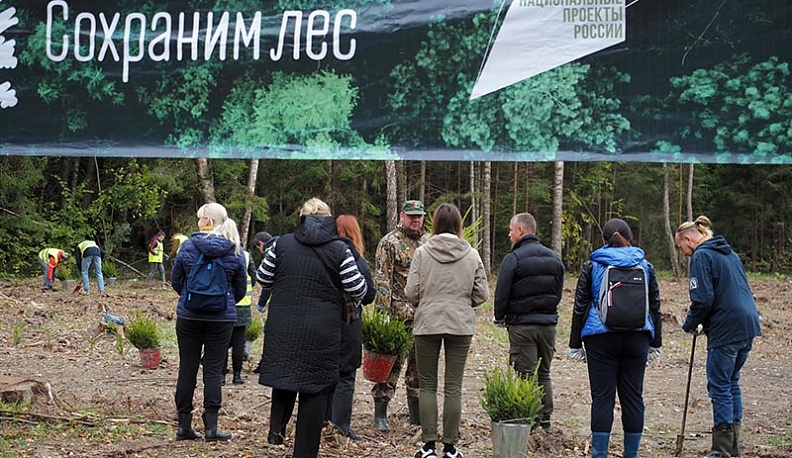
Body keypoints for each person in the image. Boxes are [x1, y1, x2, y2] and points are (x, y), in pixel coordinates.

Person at [256, 198, 368, 457]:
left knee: (286, 377)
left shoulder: (281, 244)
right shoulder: (340, 250)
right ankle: (305, 452)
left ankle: (277, 430)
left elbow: (263, 278)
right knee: (316, 390)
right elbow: (357, 288)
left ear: (302, 217)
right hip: (323, 331)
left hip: (284, 327)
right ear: (329, 218)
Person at [568, 218, 662, 458]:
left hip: (600, 339)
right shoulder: (645, 265)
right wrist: (656, 342)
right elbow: (655, 306)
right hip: (637, 337)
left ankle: (599, 454)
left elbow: (580, 305)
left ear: (603, 240)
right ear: (630, 238)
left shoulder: (593, 264)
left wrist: (575, 344)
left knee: (602, 398)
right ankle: (631, 454)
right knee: (633, 397)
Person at [405, 203, 489, 458]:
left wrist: (428, 300)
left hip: (427, 322)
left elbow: (411, 292)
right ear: (458, 225)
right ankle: (451, 448)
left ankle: (428, 446)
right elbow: (482, 293)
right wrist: (462, 303)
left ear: (435, 222)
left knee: (428, 385)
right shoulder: (471, 253)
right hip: (460, 324)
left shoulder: (422, 252)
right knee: (453, 386)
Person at [675, 216, 761, 458]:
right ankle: (732, 447)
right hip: (747, 323)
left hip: (727, 328)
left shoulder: (702, 255)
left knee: (720, 386)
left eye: (681, 247)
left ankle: (722, 450)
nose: (683, 254)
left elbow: (702, 299)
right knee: (731, 382)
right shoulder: (729, 253)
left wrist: (690, 323)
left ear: (689, 239)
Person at [170, 203, 248, 442]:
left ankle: (184, 426)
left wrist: (191, 298)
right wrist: (222, 300)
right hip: (221, 319)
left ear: (206, 221)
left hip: (189, 316)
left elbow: (176, 280)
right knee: (214, 370)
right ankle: (211, 428)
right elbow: (241, 288)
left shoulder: (188, 246)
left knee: (187, 368)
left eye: (199, 218)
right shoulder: (234, 249)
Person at [493, 213, 564, 430]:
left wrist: (500, 316)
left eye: (511, 229)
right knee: (544, 373)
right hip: (548, 326)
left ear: (521, 231)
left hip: (522, 326)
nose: (509, 234)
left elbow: (501, 294)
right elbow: (558, 293)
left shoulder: (513, 259)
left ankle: (529, 422)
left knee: (525, 375)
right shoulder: (554, 259)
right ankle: (545, 420)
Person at [372, 199, 428, 430]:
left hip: (424, 316)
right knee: (390, 366)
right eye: (411, 216)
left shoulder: (428, 242)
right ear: (402, 216)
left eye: (419, 216)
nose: (416, 220)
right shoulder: (390, 243)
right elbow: (383, 279)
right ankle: (380, 413)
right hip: (397, 315)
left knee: (419, 368)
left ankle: (416, 415)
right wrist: (383, 314)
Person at [325, 214, 376, 440]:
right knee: (345, 377)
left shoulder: (323, 254)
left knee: (324, 375)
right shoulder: (357, 259)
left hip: (323, 322)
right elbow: (369, 296)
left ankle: (321, 421)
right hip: (349, 323)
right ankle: (341, 426)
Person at [223, 248, 256, 385]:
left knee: (223, 341)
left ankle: (221, 376)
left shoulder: (222, 253)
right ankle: (237, 376)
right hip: (243, 305)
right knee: (239, 342)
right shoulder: (247, 256)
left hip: (224, 303)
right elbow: (253, 278)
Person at [252, 230, 276, 375]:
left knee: (270, 331)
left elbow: (267, 283)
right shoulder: (282, 246)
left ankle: (266, 364)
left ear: (261, 244)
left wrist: (261, 303)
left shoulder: (270, 254)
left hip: (279, 301)